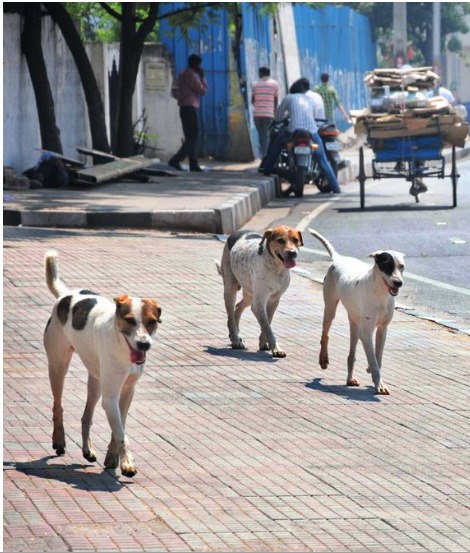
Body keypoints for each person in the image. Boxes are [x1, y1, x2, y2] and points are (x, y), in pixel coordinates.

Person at [260, 80, 341, 194]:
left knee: (277, 143)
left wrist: (279, 120)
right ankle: (336, 188)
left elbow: (278, 116)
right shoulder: (309, 99)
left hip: (293, 129)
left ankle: (267, 168)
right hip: (311, 130)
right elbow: (312, 115)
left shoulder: (288, 98)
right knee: (322, 159)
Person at [168, 54, 208, 172]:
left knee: (190, 137)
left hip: (184, 108)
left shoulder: (183, 73)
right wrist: (202, 77)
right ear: (197, 65)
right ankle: (178, 160)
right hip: (189, 108)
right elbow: (202, 91)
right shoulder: (192, 75)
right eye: (199, 65)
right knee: (193, 136)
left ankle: (191, 163)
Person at [251, 67, 280, 158]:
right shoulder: (275, 84)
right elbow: (276, 100)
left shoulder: (255, 84)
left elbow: (253, 100)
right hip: (269, 114)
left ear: (261, 73)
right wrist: (274, 111)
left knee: (262, 135)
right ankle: (266, 156)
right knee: (267, 135)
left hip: (257, 114)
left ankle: (263, 155)